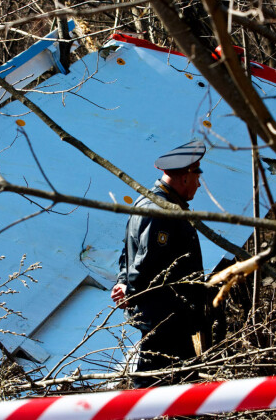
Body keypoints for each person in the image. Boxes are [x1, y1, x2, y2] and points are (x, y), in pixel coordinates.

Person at [111, 140, 207, 388]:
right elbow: (147, 262)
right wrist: (131, 289)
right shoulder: (161, 210)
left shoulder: (148, 202)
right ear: (184, 177)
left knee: (180, 379)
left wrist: (124, 282)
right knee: (154, 380)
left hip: (169, 314)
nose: (199, 182)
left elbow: (128, 253)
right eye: (197, 175)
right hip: (164, 315)